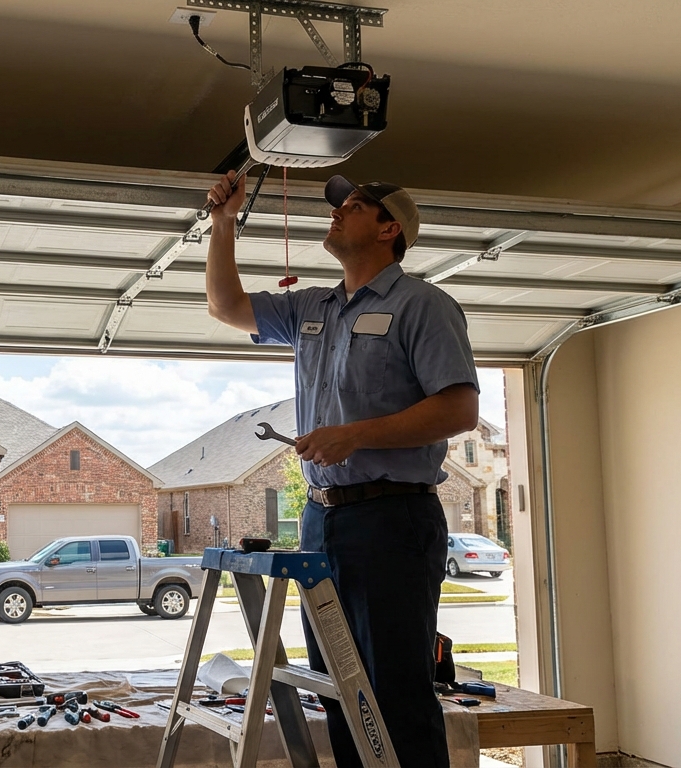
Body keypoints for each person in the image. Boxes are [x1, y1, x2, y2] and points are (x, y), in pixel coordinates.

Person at [204, 170, 479, 766]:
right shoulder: (314, 308)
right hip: (322, 521)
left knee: (394, 696)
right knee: (340, 692)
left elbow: (459, 408)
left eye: (354, 206)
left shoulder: (423, 305)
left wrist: (355, 435)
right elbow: (226, 306)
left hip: (393, 519)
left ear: (389, 229)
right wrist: (223, 224)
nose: (337, 211)